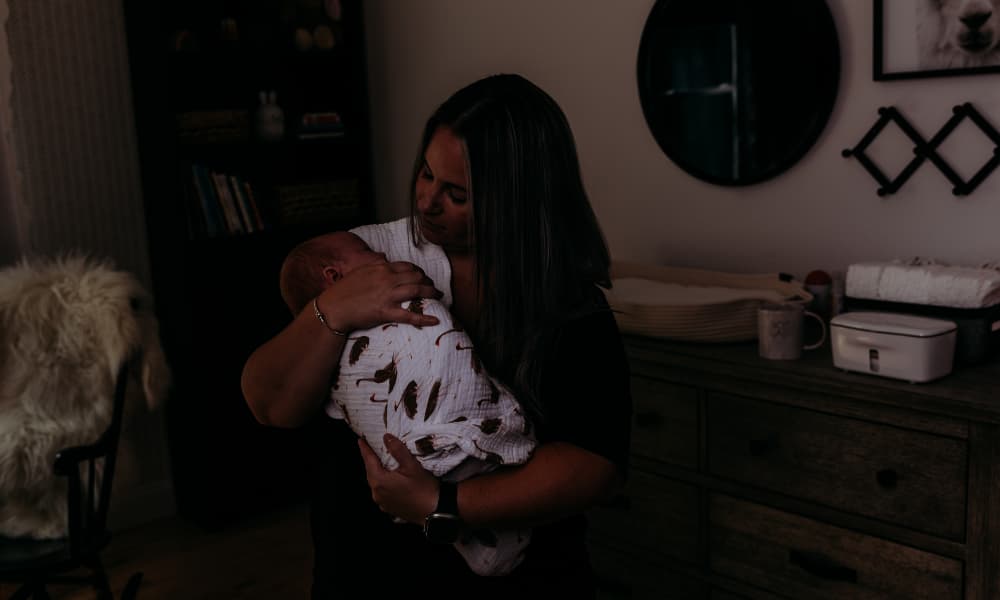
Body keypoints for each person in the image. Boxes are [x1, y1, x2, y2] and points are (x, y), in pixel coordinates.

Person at [241, 72, 632, 599]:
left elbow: (595, 466)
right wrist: (333, 309)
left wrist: (441, 504)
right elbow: (269, 404)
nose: (426, 201)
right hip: (366, 570)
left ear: (515, 200)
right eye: (425, 174)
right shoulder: (362, 258)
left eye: (457, 193)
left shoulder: (564, 301)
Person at [278, 230, 536, 576]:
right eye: (367, 252)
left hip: (418, 475)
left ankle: (478, 542)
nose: (381, 257)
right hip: (436, 457)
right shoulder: (326, 341)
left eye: (457, 194)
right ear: (334, 277)